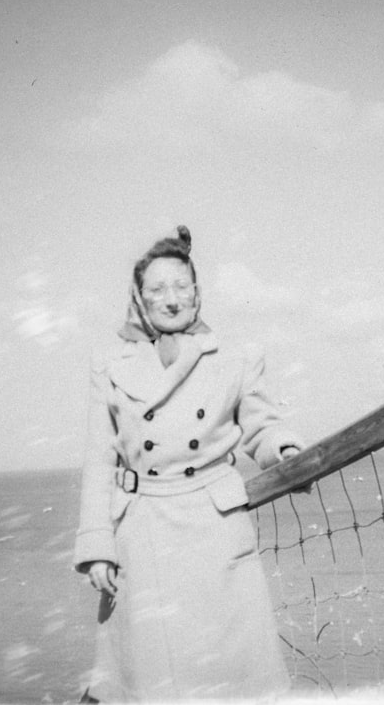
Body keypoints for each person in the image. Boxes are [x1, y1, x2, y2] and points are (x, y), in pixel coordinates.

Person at [74, 226, 303, 702]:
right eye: (157, 290)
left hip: (212, 527)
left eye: (181, 287)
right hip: (142, 532)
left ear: (197, 293)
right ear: (139, 297)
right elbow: (99, 461)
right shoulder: (109, 363)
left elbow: (260, 424)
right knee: (154, 679)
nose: (171, 300)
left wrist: (284, 451)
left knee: (229, 675)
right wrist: (98, 546)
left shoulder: (235, 357)